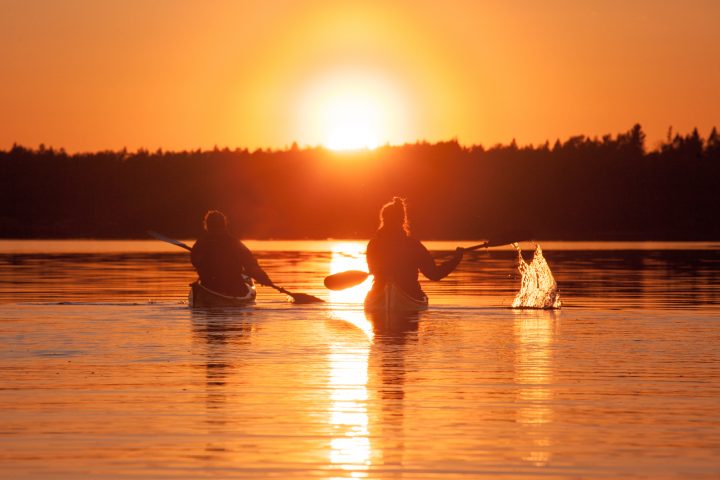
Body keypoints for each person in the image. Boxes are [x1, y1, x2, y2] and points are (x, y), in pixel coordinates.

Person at [366, 197, 464, 300]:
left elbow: (371, 270)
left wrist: (455, 260)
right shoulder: (413, 245)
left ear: (383, 220)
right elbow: (434, 274)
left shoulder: (373, 244)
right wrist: (456, 260)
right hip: (411, 292)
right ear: (402, 221)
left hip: (380, 292)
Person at [191, 210, 272, 296]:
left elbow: (195, 261)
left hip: (209, 284)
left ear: (207, 226)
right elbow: (250, 265)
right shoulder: (234, 243)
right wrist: (263, 278)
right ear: (224, 225)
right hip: (233, 286)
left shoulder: (201, 243)